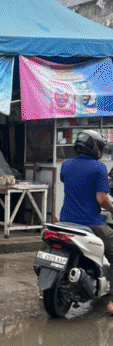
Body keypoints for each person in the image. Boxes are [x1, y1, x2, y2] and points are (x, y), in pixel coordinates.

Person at [58, 130, 113, 312]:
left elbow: (69, 183)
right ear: (94, 147)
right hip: (91, 223)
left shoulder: (66, 165)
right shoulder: (99, 168)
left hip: (65, 222)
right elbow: (102, 200)